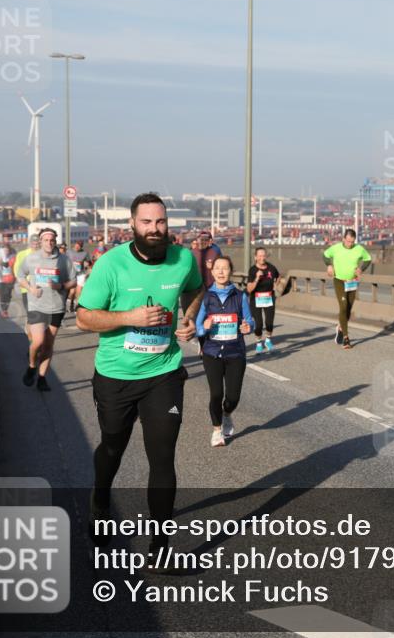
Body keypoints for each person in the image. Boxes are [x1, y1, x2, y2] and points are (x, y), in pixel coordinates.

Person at [76, 192, 204, 556]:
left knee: (162, 456)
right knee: (113, 445)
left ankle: (160, 546)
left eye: (160, 221)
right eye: (146, 222)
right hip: (116, 375)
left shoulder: (182, 259)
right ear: (132, 224)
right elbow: (85, 317)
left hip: (163, 372)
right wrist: (130, 317)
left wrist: (190, 316)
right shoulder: (111, 265)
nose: (154, 228)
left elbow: (196, 288)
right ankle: (100, 500)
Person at [195, 256, 254, 447]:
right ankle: (217, 431)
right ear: (212, 272)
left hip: (235, 352)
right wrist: (204, 327)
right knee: (216, 394)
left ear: (231, 271)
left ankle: (227, 413)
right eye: (217, 268)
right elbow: (198, 327)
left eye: (225, 268)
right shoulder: (206, 296)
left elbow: (249, 320)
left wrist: (248, 327)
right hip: (212, 352)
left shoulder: (240, 296)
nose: (221, 272)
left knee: (233, 397)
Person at [17, 228, 76, 392]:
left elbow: (73, 282)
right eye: (46, 240)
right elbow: (20, 275)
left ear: (55, 241)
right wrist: (30, 288)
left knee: (49, 345)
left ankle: (42, 378)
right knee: (38, 341)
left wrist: (61, 286)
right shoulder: (32, 258)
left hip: (57, 307)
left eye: (52, 240)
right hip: (37, 305)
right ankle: (31, 366)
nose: (49, 243)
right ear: (41, 241)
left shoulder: (64, 260)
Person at [322, 229, 372, 349]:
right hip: (339, 280)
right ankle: (346, 338)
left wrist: (361, 269)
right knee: (343, 306)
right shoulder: (336, 248)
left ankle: (340, 327)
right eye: (348, 241)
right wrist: (329, 265)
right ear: (343, 239)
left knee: (348, 309)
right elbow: (325, 255)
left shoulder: (359, 249)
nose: (350, 244)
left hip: (352, 282)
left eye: (352, 242)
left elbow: (368, 259)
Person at [245, 247, 280, 353]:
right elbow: (249, 289)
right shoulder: (253, 270)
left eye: (264, 255)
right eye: (259, 256)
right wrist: (256, 278)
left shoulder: (271, 268)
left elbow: (278, 276)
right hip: (256, 299)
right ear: (255, 257)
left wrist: (275, 285)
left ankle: (268, 340)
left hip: (269, 298)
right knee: (259, 324)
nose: (262, 258)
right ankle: (259, 342)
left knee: (269, 322)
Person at [14, 234, 40, 318]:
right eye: (33, 243)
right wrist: (21, 280)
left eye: (37, 243)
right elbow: (17, 269)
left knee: (39, 311)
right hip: (26, 286)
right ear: (30, 243)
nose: (35, 246)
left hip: (40, 286)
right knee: (30, 312)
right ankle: (31, 328)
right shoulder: (22, 254)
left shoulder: (44, 254)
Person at [67, 241, 92, 313]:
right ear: (75, 244)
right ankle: (71, 303)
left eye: (80, 246)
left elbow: (89, 263)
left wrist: (88, 269)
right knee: (72, 291)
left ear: (81, 247)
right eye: (77, 245)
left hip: (81, 273)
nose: (78, 247)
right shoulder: (69, 252)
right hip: (71, 274)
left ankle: (77, 306)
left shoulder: (85, 253)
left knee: (79, 290)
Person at [0, 242, 16, 318]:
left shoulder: (13, 257)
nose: (5, 251)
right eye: (4, 250)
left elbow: (11, 266)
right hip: (1, 279)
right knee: (3, 295)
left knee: (8, 295)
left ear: (9, 250)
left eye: (7, 250)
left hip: (10, 278)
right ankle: (4, 310)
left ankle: (5, 309)